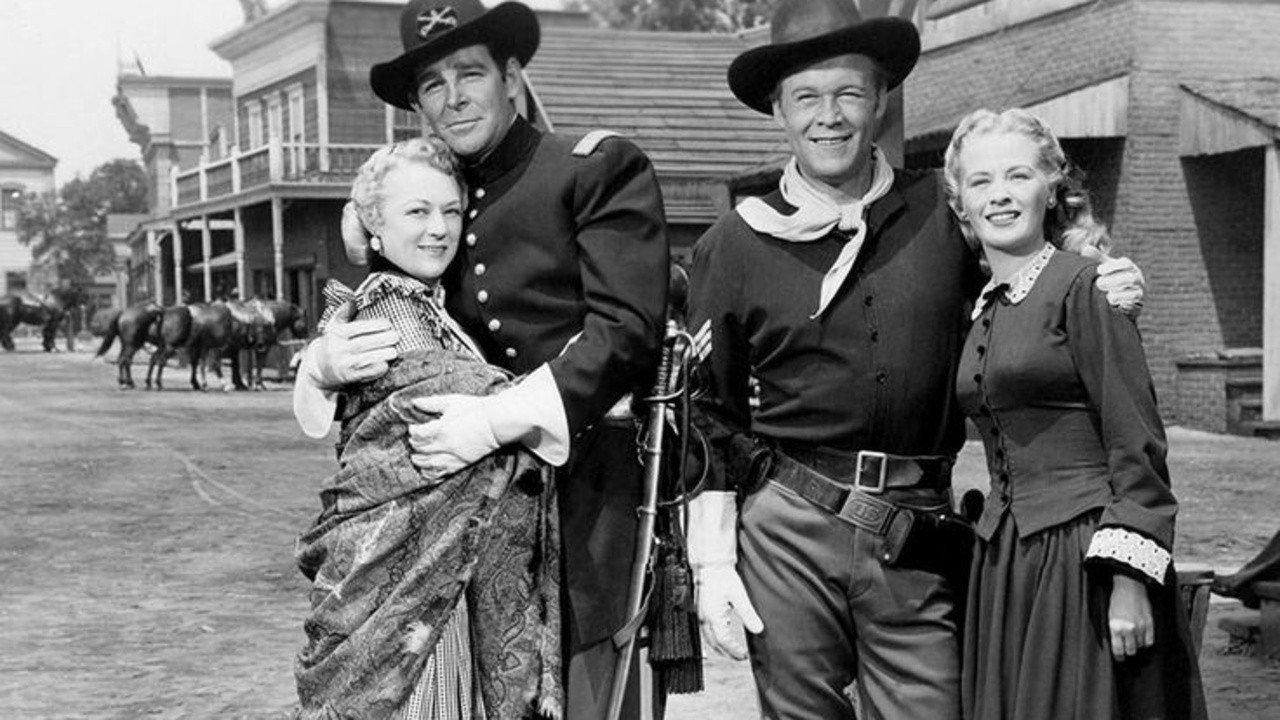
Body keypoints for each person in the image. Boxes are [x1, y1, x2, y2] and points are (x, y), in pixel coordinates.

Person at [683, 1, 1146, 718]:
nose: (829, 117)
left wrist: (1098, 276)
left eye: (849, 93)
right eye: (806, 97)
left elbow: (1030, 261)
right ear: (778, 110)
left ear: (879, 101)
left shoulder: (941, 211)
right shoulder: (734, 243)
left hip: (918, 525)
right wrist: (712, 563)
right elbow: (709, 413)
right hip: (789, 526)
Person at [292, 1, 670, 718]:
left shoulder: (592, 168)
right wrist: (321, 361)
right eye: (433, 85)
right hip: (456, 532)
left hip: (585, 507)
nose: (454, 98)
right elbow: (394, 304)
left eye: (470, 74)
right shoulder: (433, 194)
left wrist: (498, 419)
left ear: (512, 77)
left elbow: (627, 331)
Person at [944, 107, 1206, 720]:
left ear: (1051, 187)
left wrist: (1129, 581)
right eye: (981, 182)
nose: (1000, 195)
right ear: (961, 204)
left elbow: (1137, 442)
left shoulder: (1087, 287)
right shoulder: (982, 308)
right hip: (1008, 563)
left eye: (1018, 176)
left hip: (1084, 559)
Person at [293, 137, 561, 719]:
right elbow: (441, 405)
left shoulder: (430, 307)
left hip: (439, 565)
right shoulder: (391, 309)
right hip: (410, 575)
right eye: (417, 211)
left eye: (451, 211)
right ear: (374, 226)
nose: (438, 229)